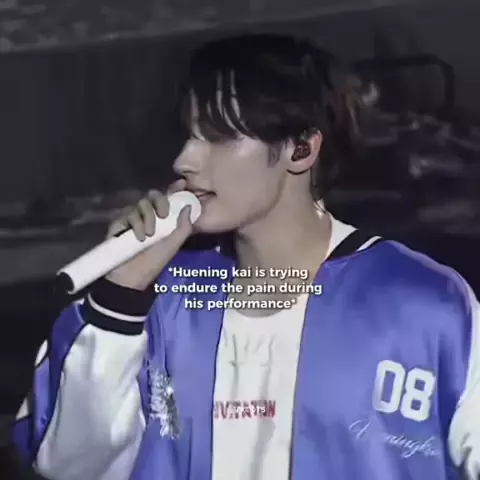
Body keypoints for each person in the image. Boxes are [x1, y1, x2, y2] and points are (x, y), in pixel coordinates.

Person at [11, 34, 480, 480]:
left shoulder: (424, 303)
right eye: (189, 135)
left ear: (301, 149)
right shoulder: (155, 298)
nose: (185, 161)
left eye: (218, 137)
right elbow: (68, 465)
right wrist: (120, 298)